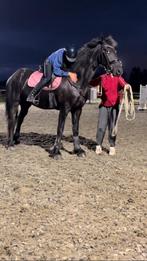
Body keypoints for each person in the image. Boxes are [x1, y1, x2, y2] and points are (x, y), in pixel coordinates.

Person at [93, 61, 130, 156]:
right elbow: (95, 86)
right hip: (104, 106)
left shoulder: (118, 78)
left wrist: (127, 86)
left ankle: (112, 146)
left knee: (113, 127)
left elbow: (124, 84)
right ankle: (98, 145)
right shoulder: (102, 77)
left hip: (114, 106)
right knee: (101, 126)